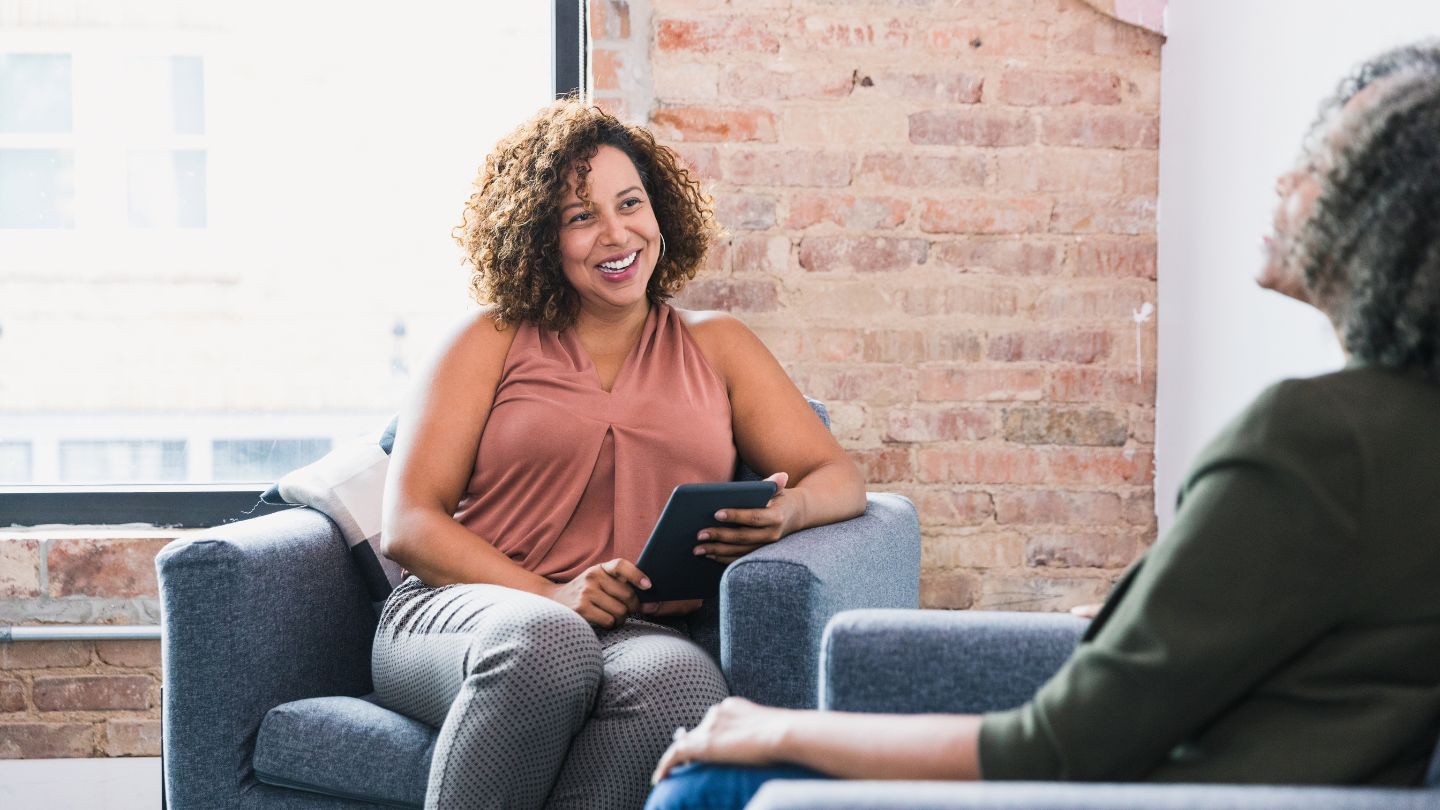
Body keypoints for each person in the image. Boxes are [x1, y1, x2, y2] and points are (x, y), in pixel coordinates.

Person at [646, 42, 1440, 809]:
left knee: (703, 785)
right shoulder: (1402, 434)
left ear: (1397, 224)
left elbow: (1053, 749)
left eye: (1330, 167)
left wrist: (779, 725)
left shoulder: (1315, 438)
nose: (1287, 179)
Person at [373, 99, 866, 810]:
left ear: (659, 210)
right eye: (581, 217)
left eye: (629, 203)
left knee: (687, 681)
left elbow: (841, 477)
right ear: (542, 237)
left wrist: (788, 511)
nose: (616, 233)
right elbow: (410, 524)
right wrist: (550, 595)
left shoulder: (717, 346)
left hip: (628, 631)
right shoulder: (487, 340)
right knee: (547, 641)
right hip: (464, 613)